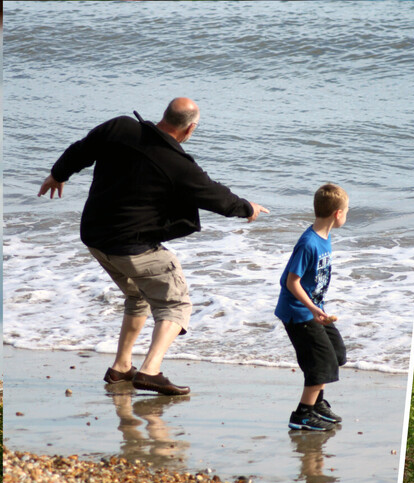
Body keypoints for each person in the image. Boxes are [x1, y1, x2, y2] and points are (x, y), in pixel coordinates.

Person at [38, 97, 268, 395]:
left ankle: (121, 367)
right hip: (131, 247)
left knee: (138, 295)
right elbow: (216, 197)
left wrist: (58, 175)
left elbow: (80, 150)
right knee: (176, 304)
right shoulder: (178, 164)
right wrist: (247, 208)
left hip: (95, 237)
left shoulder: (119, 127)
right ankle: (150, 370)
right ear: (190, 129)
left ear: (165, 116)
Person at [275, 183, 348, 431]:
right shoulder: (309, 243)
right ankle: (303, 414)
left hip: (314, 310)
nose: (346, 215)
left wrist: (318, 308)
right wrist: (314, 309)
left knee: (336, 354)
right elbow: (291, 282)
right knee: (320, 363)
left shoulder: (324, 237)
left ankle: (317, 404)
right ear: (338, 213)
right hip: (298, 312)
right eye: (346, 210)